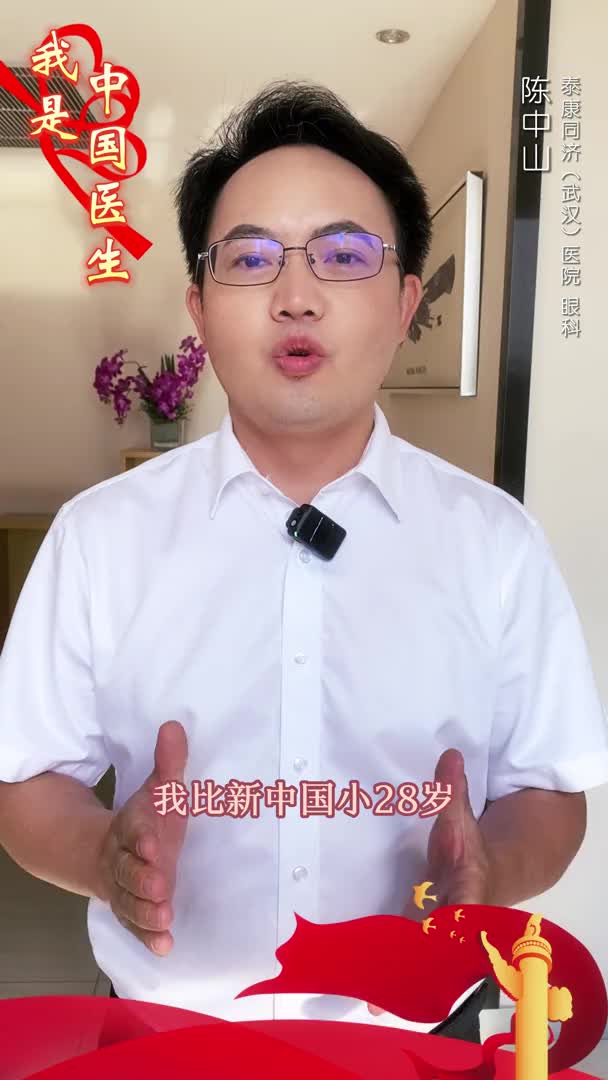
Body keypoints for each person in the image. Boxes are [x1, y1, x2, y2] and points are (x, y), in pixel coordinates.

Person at [0, 80, 607, 1041]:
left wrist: (490, 870)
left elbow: (551, 792)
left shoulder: (496, 543)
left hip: (416, 1040)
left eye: (344, 255)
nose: (295, 295)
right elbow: (26, 782)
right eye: (249, 259)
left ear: (405, 303)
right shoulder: (97, 537)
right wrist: (101, 857)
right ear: (199, 309)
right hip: (165, 1033)